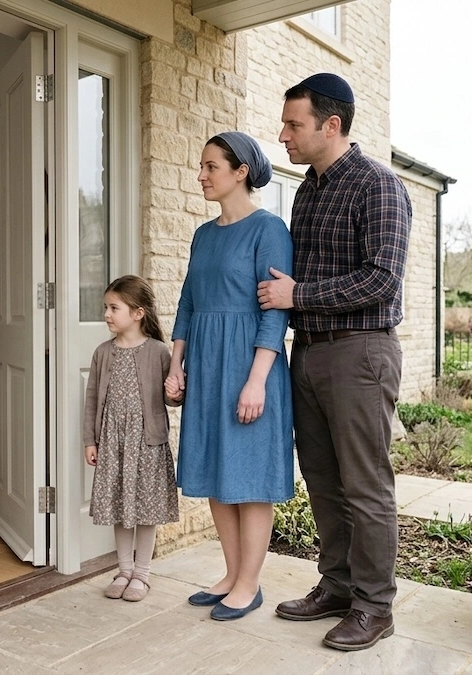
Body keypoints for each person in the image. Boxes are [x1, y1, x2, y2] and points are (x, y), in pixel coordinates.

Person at [258, 73, 411, 651]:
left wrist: (300, 297)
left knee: (366, 485)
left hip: (361, 353)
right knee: (323, 480)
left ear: (331, 125)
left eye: (294, 124)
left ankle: (375, 605)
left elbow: (381, 279)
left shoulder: (379, 185)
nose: (284, 135)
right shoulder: (309, 190)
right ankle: (339, 585)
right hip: (311, 353)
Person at [164, 131, 294, 621]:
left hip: (248, 365)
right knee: (219, 471)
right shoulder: (203, 235)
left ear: (240, 172)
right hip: (207, 364)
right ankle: (232, 573)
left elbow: (273, 313)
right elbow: (187, 304)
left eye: (210, 166)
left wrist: (257, 379)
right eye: (201, 166)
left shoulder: (269, 229)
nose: (200, 175)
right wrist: (178, 364)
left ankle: (250, 583)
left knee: (250, 478)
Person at [84, 275, 181, 602]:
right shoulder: (103, 353)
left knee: (146, 509)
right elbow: (92, 400)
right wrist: (90, 440)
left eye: (114, 308)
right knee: (120, 507)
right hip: (114, 444)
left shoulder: (157, 351)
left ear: (138, 313)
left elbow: (171, 397)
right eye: (106, 308)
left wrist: (177, 392)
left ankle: (142, 574)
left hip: (147, 444)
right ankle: (123, 570)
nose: (107, 314)